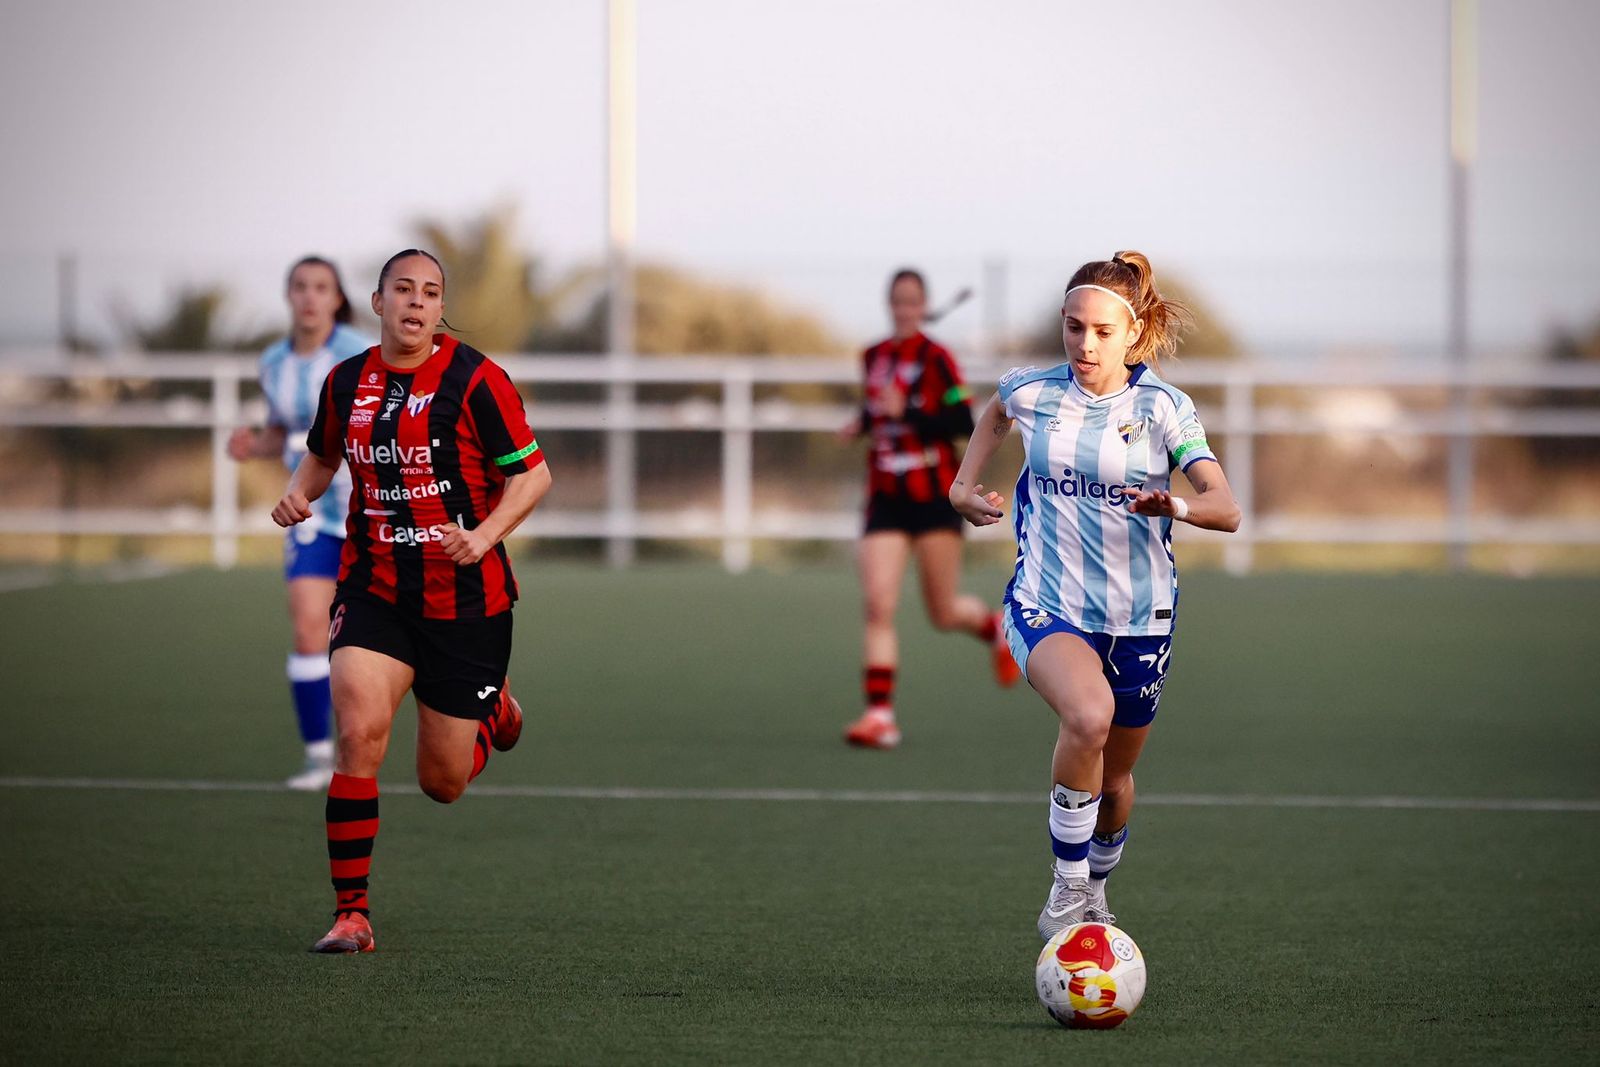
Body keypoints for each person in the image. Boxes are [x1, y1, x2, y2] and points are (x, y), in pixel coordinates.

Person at [946, 251, 1241, 938]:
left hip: (1141, 618)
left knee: (1114, 782)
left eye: (1103, 331)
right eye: (1074, 327)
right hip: (1047, 601)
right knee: (1087, 715)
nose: (1085, 343)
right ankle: (1068, 889)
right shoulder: (1030, 390)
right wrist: (963, 487)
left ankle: (1097, 888)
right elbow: (993, 415)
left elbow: (1226, 507)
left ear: (1132, 334)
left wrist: (1177, 505)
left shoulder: (1165, 408)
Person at [271, 249, 553, 954]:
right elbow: (324, 453)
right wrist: (301, 492)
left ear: (439, 307)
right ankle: (351, 913)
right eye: (404, 289)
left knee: (442, 782)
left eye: (431, 292)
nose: (417, 302)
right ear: (376, 301)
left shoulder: (478, 379)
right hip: (375, 588)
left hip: (465, 596)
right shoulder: (345, 381)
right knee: (360, 731)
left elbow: (533, 475)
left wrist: (483, 536)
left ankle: (497, 707)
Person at [841, 268, 1019, 750]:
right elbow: (876, 409)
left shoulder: (937, 359)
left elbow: (962, 420)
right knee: (878, 604)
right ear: (890, 304)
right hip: (886, 497)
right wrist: (860, 423)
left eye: (912, 301)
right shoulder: (874, 357)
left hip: (934, 497)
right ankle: (879, 716)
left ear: (923, 305)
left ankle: (996, 628)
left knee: (941, 612)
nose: (904, 309)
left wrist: (911, 413)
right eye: (896, 301)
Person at [229, 257, 373, 790]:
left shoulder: (358, 354)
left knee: (396, 633)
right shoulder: (273, 362)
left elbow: (360, 429)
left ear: (338, 299)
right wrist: (255, 444)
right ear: (288, 295)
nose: (310, 297)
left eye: (321, 288)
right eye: (300, 287)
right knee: (310, 626)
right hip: (312, 515)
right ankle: (319, 758)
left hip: (371, 512)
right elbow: (284, 431)